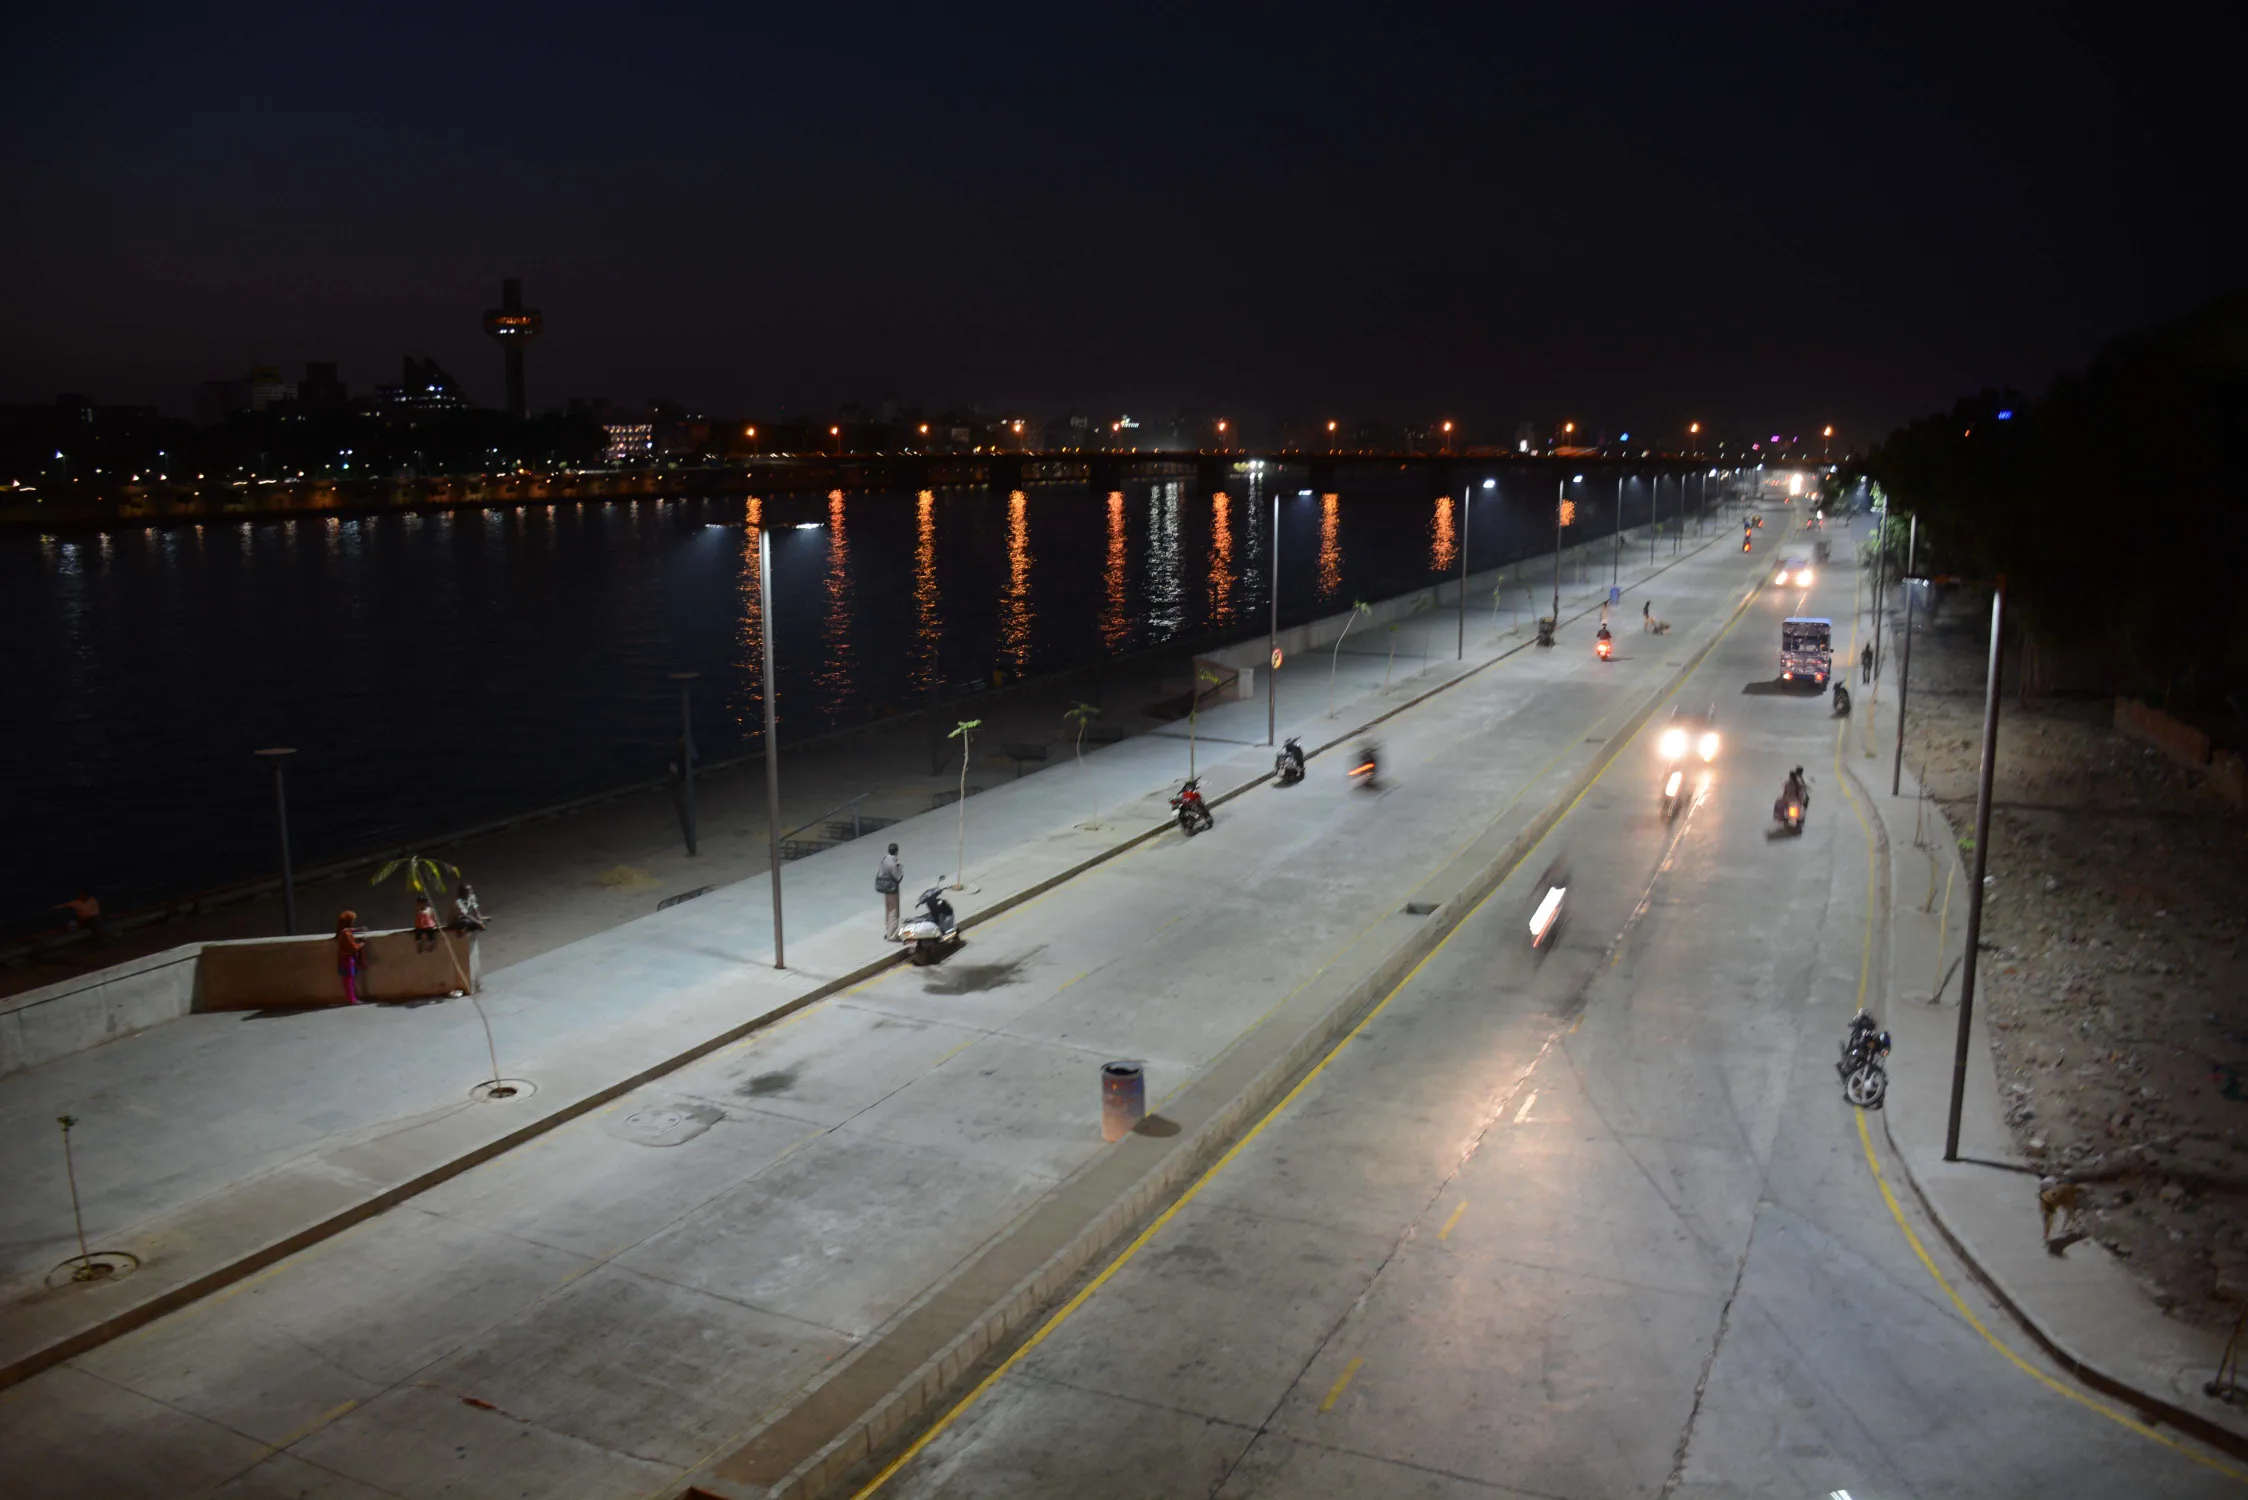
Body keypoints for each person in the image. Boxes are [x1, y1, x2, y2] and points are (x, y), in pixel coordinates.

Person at [335, 911, 368, 1006]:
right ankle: (352, 999)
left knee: (348, 979)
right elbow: (353, 947)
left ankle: (352, 998)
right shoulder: (346, 934)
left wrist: (358, 929)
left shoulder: (343, 931)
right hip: (348, 959)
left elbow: (349, 930)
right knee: (349, 980)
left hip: (343, 958)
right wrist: (362, 944)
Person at [876, 843, 904, 939]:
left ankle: (888, 930)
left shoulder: (885, 859)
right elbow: (898, 877)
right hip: (892, 889)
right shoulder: (893, 864)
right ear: (896, 852)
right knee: (894, 910)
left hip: (885, 888)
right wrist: (900, 868)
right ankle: (892, 934)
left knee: (888, 908)